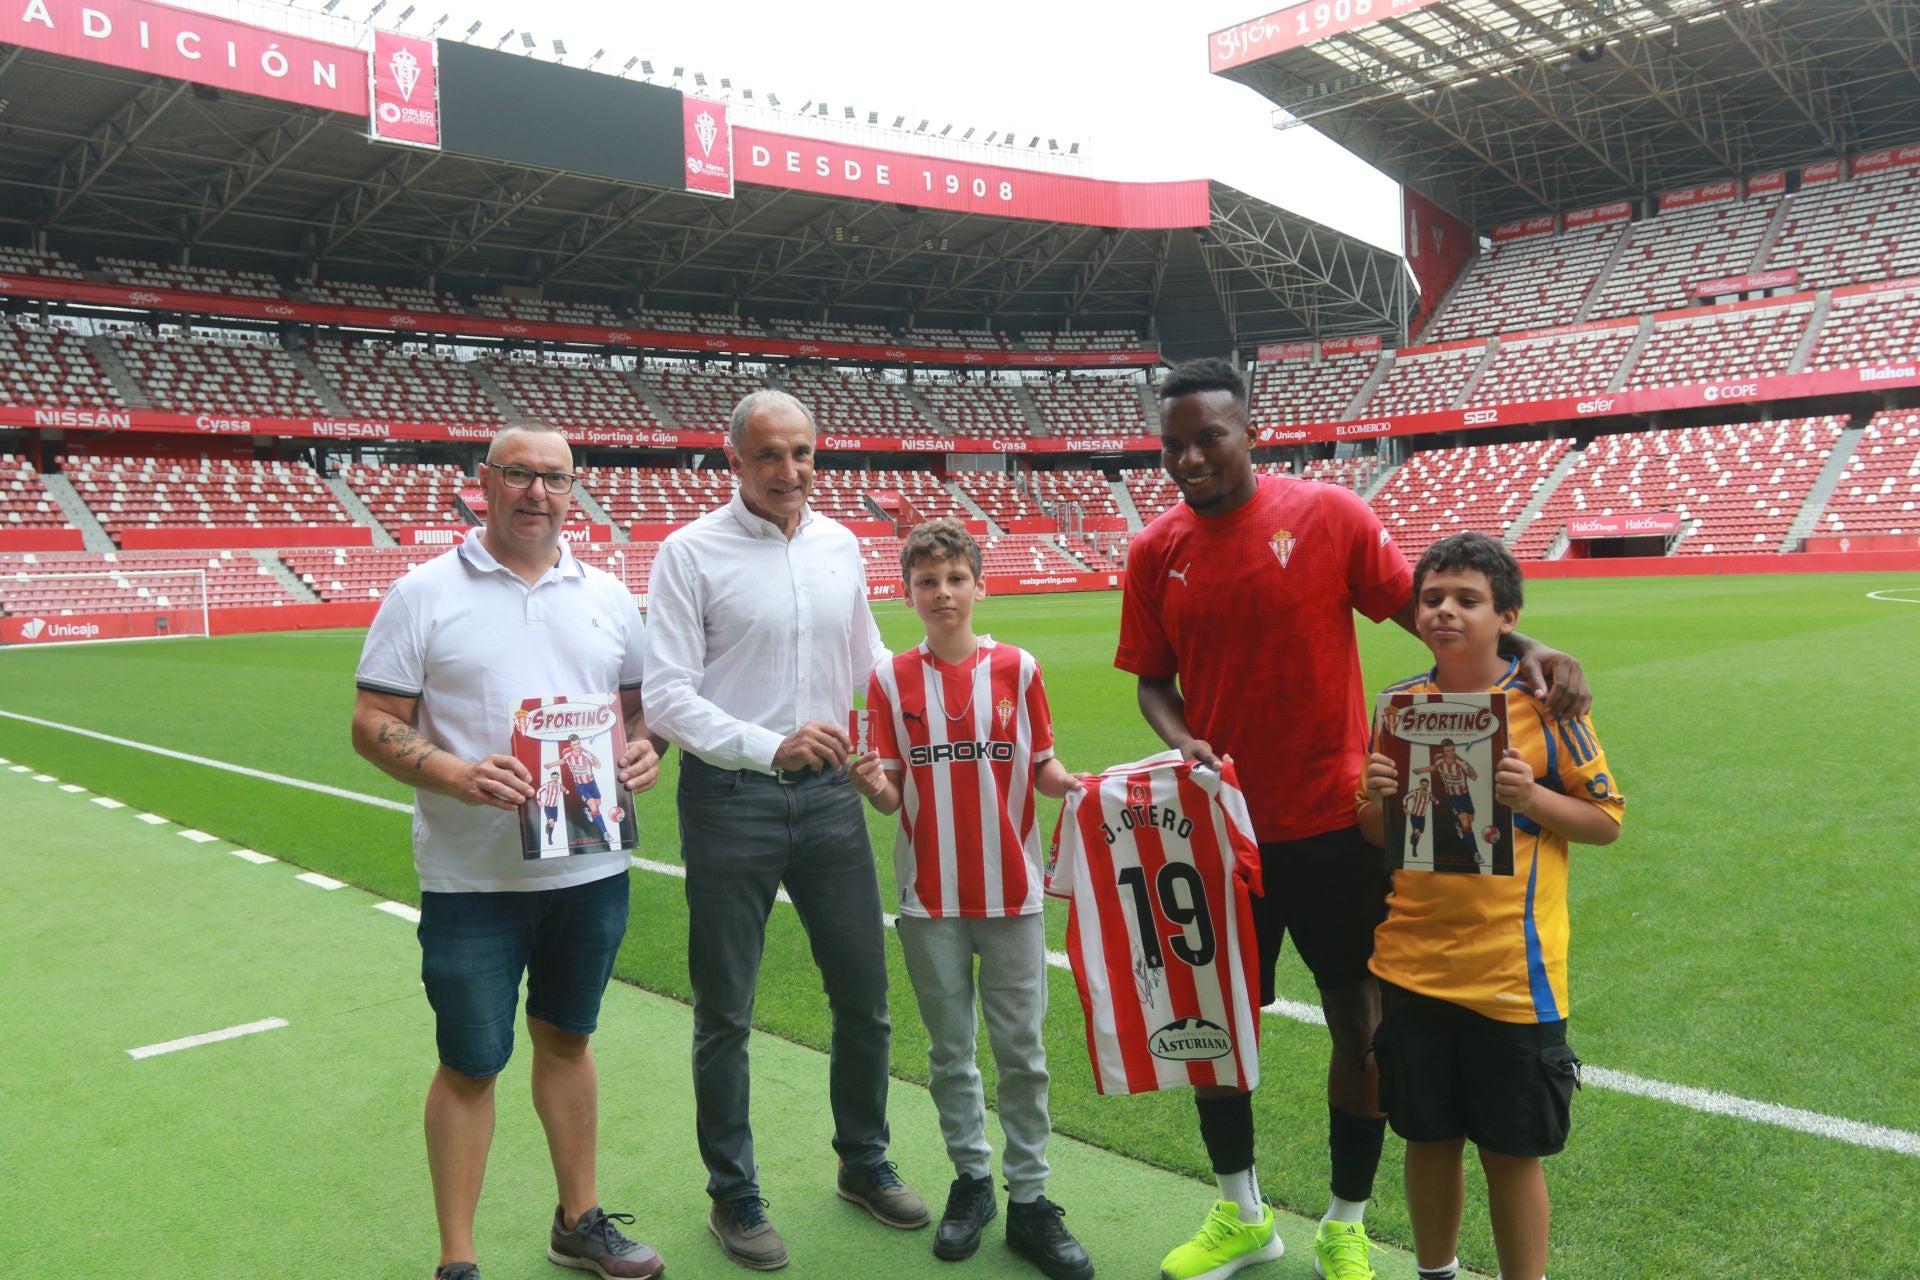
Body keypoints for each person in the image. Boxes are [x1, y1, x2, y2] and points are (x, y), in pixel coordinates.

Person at [1115, 358, 1588, 1280]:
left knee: (1360, 1024)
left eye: (1208, 438)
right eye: (1173, 446)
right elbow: (1152, 683)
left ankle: (1347, 1222)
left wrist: (1531, 644)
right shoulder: (1153, 551)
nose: (1189, 459)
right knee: (1217, 1028)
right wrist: (1183, 739)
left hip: (1339, 824)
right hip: (1222, 832)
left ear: (1251, 434)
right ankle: (1241, 1212)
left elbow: (1429, 612)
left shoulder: (1329, 516)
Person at [350, 418, 665, 1280]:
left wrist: (648, 748)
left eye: (555, 478)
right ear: (483, 482)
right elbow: (373, 722)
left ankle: (579, 1222)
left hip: (592, 868)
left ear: (573, 490)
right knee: (470, 1064)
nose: (538, 492)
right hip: (472, 880)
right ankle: (457, 1259)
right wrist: (456, 775)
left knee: (568, 1041)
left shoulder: (608, 594)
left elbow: (641, 710)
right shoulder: (422, 592)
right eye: (519, 474)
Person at [642, 388, 926, 1272]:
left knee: (865, 999)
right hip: (731, 800)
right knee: (726, 1010)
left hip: (833, 797)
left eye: (802, 453)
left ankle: (863, 1160)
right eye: (769, 454)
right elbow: (666, 696)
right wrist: (772, 745)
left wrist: (936, 699)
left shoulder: (840, 543)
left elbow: (869, 660)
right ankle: (733, 1193)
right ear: (734, 459)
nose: (789, 471)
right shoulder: (689, 552)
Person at [1358, 531, 1623, 1280]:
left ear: (1506, 617)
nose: (1445, 611)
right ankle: (1435, 1271)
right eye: (1432, 598)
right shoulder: (1401, 706)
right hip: (1411, 966)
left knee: (1512, 1152)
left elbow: (1605, 821)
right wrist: (1377, 799)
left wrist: (1530, 798)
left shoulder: (1549, 706)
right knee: (1427, 1138)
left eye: (1467, 600)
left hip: (1512, 976)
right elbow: (1377, 832)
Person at [849, 518, 1094, 1280]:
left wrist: (1073, 784)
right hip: (931, 901)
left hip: (1013, 894)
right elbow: (892, 797)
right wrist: (870, 784)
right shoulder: (889, 680)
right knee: (951, 1051)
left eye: (956, 578)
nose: (943, 593)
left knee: (1022, 1053)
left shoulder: (1019, 668)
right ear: (907, 593)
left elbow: (1043, 765)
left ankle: (1031, 1199)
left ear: (980, 586)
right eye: (927, 582)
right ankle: (972, 1181)